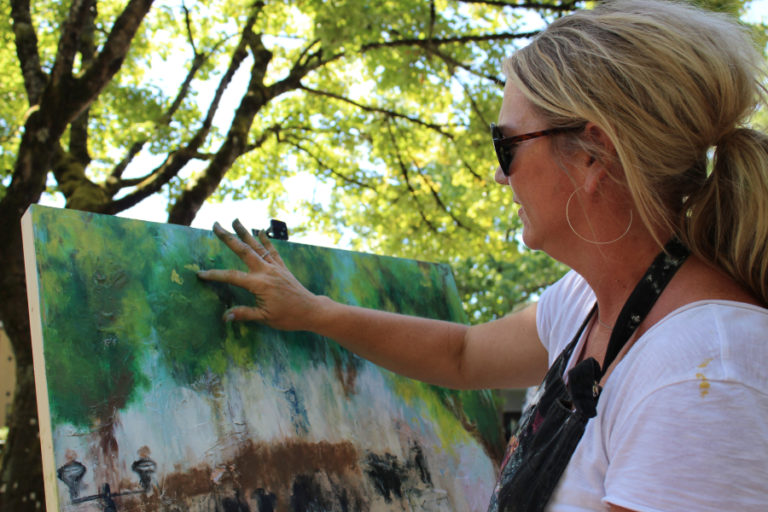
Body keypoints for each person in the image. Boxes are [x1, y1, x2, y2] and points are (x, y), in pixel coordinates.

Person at [197, 1, 768, 510]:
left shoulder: (704, 374)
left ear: (592, 155)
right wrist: (314, 312)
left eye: (506, 145)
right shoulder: (586, 300)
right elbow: (463, 354)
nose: (499, 175)